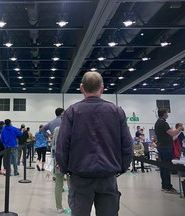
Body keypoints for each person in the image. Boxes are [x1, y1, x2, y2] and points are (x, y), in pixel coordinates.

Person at [56, 71, 133, 216]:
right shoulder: (117, 111)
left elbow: (62, 145)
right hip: (108, 176)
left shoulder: (71, 112)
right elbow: (127, 144)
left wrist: (66, 169)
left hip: (80, 176)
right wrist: (122, 167)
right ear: (102, 89)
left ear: (81, 88)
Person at [154, 108, 184, 194]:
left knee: (163, 167)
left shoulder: (157, 123)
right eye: (167, 113)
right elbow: (172, 133)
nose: (168, 114)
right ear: (164, 114)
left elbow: (171, 136)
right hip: (165, 148)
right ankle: (167, 186)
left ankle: (164, 186)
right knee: (166, 167)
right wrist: (180, 128)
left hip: (162, 147)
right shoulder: (163, 123)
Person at [52, 126, 70, 213]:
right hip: (71, 161)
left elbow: (54, 144)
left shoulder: (57, 129)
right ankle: (72, 207)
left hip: (58, 159)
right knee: (72, 186)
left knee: (58, 184)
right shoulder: (74, 128)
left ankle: (59, 207)